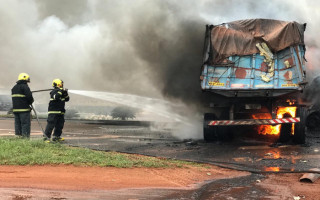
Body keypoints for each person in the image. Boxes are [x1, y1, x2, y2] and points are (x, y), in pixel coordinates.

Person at [11, 73, 34, 138]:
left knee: (17, 124)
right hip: (24, 110)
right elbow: (29, 97)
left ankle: (18, 137)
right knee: (25, 124)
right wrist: (31, 102)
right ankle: (25, 139)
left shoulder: (14, 87)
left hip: (16, 110)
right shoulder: (25, 86)